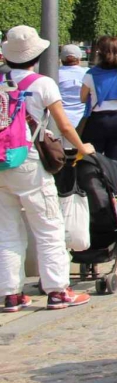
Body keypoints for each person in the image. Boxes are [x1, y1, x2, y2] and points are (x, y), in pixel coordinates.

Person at [1, 26, 95, 311]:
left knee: (6, 230)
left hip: (1, 160)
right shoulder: (42, 83)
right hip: (27, 159)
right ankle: (57, 289)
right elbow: (64, 124)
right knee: (48, 226)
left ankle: (10, 294)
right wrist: (82, 147)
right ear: (37, 55)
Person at [79, 36, 117, 176]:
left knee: (92, 161)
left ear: (100, 52)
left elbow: (82, 98)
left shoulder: (91, 74)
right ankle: (112, 195)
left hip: (98, 120)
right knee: (115, 164)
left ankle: (94, 194)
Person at [55, 45, 87, 132]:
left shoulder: (55, 74)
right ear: (79, 58)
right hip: (83, 120)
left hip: (60, 120)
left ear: (61, 59)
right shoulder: (87, 73)